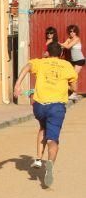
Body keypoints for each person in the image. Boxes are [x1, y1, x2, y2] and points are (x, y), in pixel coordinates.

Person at [13, 41, 77, 188]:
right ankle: (50, 165)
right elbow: (74, 87)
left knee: (43, 128)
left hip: (40, 106)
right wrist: (67, 87)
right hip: (56, 107)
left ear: (47, 52)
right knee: (53, 139)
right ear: (61, 54)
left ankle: (38, 158)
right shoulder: (67, 66)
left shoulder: (40, 63)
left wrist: (17, 85)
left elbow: (27, 67)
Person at [60, 24, 83, 100]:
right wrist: (61, 45)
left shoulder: (77, 39)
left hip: (79, 60)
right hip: (73, 61)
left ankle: (74, 93)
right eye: (70, 32)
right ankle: (73, 92)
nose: (72, 33)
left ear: (76, 32)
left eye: (74, 31)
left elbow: (68, 46)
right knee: (72, 76)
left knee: (73, 76)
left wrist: (59, 44)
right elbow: (64, 45)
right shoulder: (69, 38)